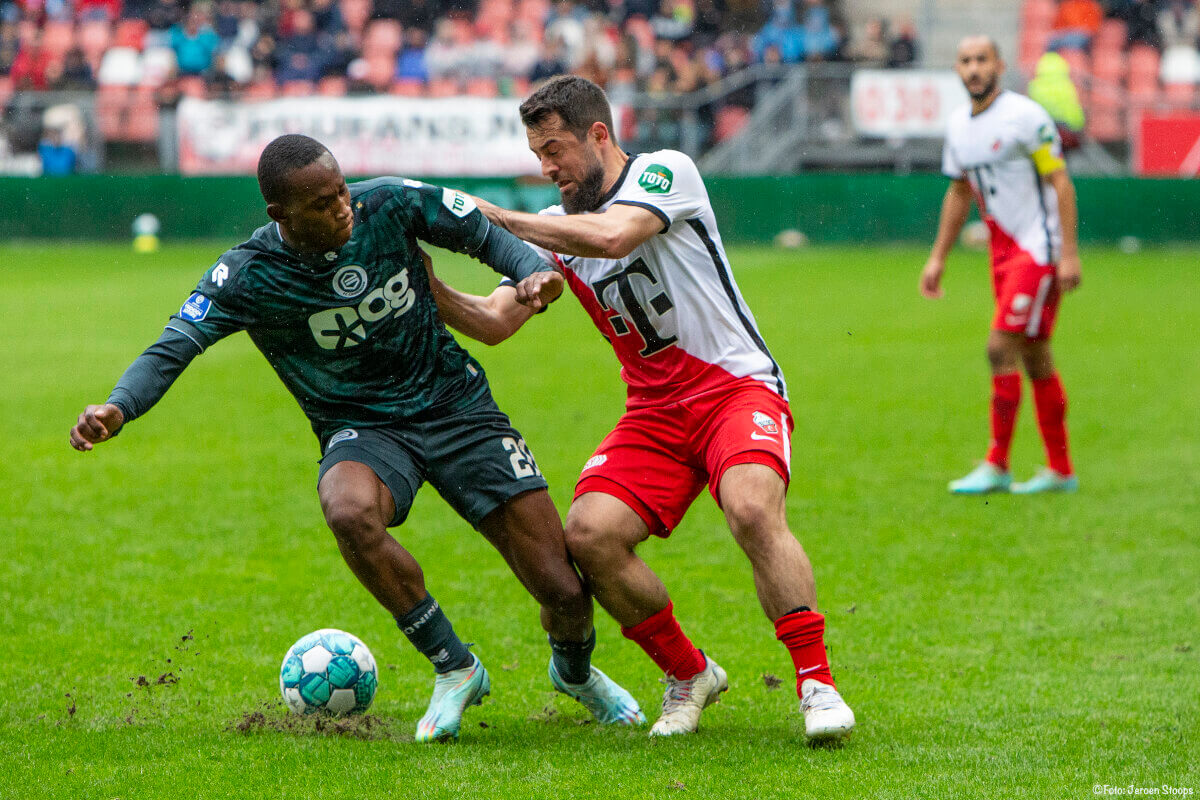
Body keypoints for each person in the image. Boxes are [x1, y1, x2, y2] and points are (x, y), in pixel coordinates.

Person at [69, 134, 643, 742]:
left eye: (341, 190)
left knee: (563, 591)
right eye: (321, 203)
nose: (341, 206)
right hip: (362, 427)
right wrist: (119, 406)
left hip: (456, 407)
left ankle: (575, 674)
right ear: (280, 215)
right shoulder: (246, 275)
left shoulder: (389, 204)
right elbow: (174, 346)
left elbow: (482, 231)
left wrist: (529, 273)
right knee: (347, 509)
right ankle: (455, 666)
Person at [424, 76, 855, 742]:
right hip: (654, 412)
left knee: (748, 506)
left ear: (599, 135)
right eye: (538, 154)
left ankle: (816, 683)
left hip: (735, 389)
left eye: (556, 149)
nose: (547, 168)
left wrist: (492, 217)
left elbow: (614, 238)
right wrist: (425, 283)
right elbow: (491, 321)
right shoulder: (561, 230)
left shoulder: (664, 174)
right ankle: (690, 675)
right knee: (589, 536)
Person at [920, 37, 1082, 495]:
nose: (974, 69)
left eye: (982, 60)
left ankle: (997, 463)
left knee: (999, 348)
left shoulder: (1026, 117)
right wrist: (938, 258)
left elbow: (1061, 183)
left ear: (1000, 66)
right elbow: (959, 193)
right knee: (1035, 356)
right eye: (966, 60)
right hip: (1003, 256)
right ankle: (1060, 470)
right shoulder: (957, 126)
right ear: (957, 68)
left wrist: (1068, 252)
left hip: (1038, 250)